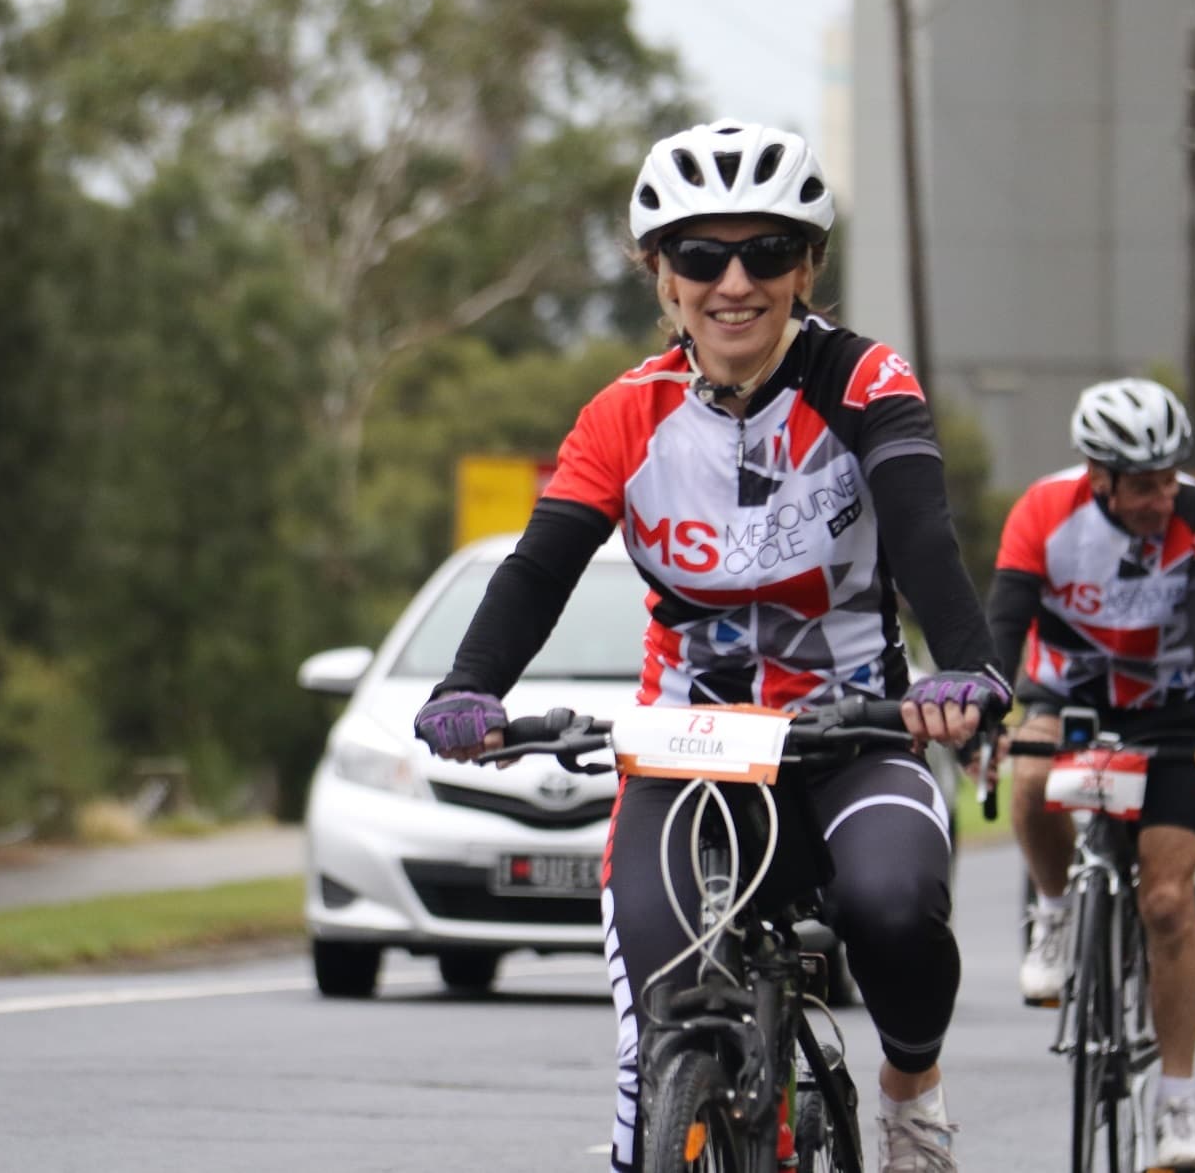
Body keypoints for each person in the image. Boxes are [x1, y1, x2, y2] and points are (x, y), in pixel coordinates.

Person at [411, 118, 1010, 1173]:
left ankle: (911, 1091)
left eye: (766, 252)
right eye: (699, 255)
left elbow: (921, 533)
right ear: (660, 276)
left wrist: (963, 665)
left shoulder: (864, 384)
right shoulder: (622, 417)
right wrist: (471, 687)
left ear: (806, 268)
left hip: (849, 734)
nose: (733, 282)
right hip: (688, 743)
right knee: (655, 1015)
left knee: (892, 907)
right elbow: (540, 567)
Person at [985, 378, 1195, 1171]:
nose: (1160, 496)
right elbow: (1006, 623)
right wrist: (986, 716)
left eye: (1170, 477)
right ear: (1098, 475)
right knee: (1029, 777)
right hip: (1067, 694)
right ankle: (1058, 909)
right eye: (1143, 483)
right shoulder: (1043, 511)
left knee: (1167, 901)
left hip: (1168, 709)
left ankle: (1176, 1105)